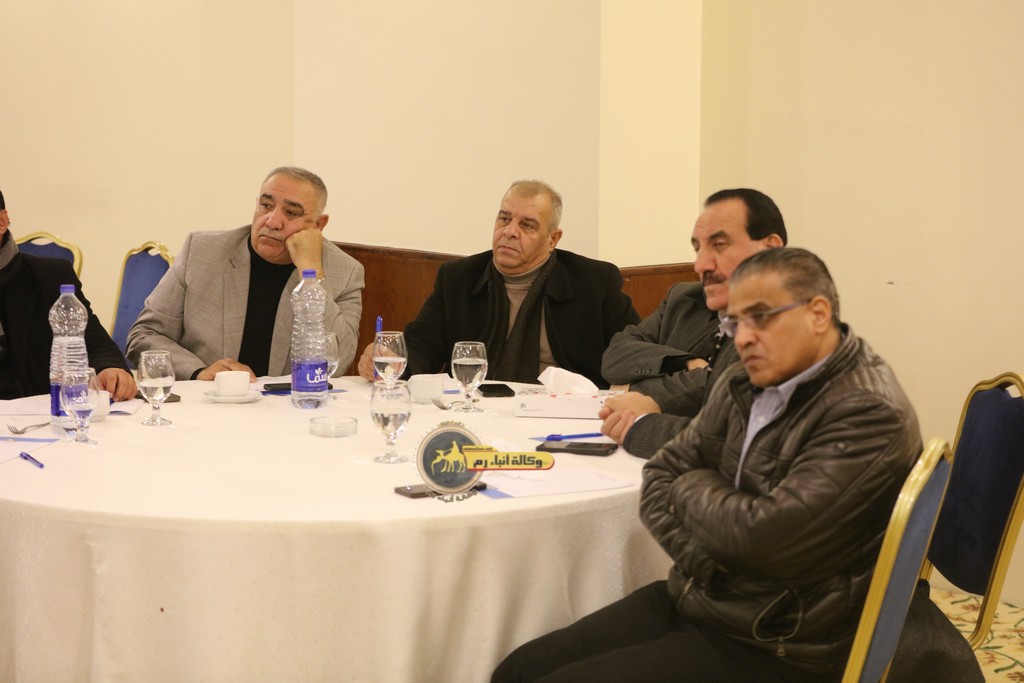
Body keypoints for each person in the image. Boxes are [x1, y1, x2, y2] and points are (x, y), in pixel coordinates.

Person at [492, 248, 922, 682]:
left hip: (778, 641)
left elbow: (757, 536)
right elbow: (659, 478)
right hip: (706, 595)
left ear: (817, 314)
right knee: (517, 670)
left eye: (761, 317)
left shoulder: (866, 412)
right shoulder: (746, 379)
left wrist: (692, 487)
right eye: (735, 323)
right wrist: (712, 556)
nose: (744, 339)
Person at [356, 180, 639, 387]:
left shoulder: (593, 282)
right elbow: (423, 344)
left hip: (563, 415)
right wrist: (393, 358)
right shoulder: (458, 278)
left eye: (527, 225)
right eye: (504, 219)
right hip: (477, 408)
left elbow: (635, 352)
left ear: (553, 239)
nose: (510, 231)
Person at [127, 167, 364, 381]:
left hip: (288, 408)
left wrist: (311, 273)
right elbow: (144, 335)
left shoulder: (345, 272)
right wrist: (199, 372)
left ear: (319, 225)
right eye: (266, 206)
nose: (273, 221)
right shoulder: (201, 251)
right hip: (208, 402)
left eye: (291, 212)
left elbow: (338, 363)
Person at [600, 188, 785, 457]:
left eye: (719, 245)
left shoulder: (787, 326)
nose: (700, 265)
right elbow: (615, 356)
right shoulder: (685, 298)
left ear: (770, 250)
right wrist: (683, 363)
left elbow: (731, 444)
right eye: (698, 248)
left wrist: (641, 413)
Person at [0, 189, 137, 400]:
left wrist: (111, 368)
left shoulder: (50, 277)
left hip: (30, 410)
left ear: (2, 222)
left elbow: (93, 340)